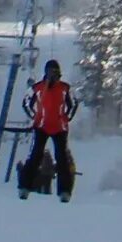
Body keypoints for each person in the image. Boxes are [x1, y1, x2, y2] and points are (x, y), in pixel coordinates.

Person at [25, 58, 77, 203]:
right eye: (50, 72)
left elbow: (74, 104)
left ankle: (64, 191)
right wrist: (34, 117)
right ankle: (25, 186)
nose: (52, 75)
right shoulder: (38, 87)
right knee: (36, 155)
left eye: (55, 72)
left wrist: (66, 118)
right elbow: (26, 102)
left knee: (62, 158)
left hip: (59, 128)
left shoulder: (65, 88)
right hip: (42, 126)